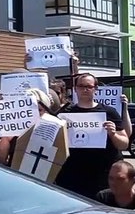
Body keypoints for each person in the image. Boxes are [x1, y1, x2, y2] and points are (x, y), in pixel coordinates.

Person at [54, 73, 129, 201]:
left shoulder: (108, 112)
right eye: (81, 86)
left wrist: (113, 134)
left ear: (95, 89)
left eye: (89, 86)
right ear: (75, 89)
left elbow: (124, 144)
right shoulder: (65, 113)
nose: (85, 89)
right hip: (72, 174)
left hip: (102, 174)